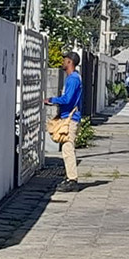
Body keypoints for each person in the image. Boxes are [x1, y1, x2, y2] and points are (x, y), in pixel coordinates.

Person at [47, 50, 84, 191]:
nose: (62, 62)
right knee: (66, 147)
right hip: (68, 116)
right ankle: (70, 177)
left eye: (64, 60)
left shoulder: (73, 79)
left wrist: (52, 100)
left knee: (68, 148)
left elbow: (68, 99)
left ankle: (72, 180)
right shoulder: (72, 78)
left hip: (71, 118)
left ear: (70, 62)